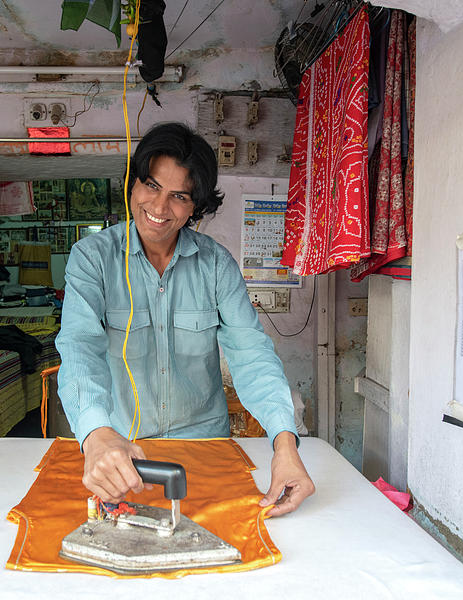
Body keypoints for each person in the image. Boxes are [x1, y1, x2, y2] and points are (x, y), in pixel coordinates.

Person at [55, 122, 314, 517]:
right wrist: (96, 435)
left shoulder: (216, 265)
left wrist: (285, 444)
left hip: (203, 447)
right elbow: (79, 350)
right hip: (121, 450)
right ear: (132, 185)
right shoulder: (93, 258)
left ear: (197, 207)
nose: (159, 208)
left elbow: (252, 354)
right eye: (151, 186)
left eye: (178, 196)